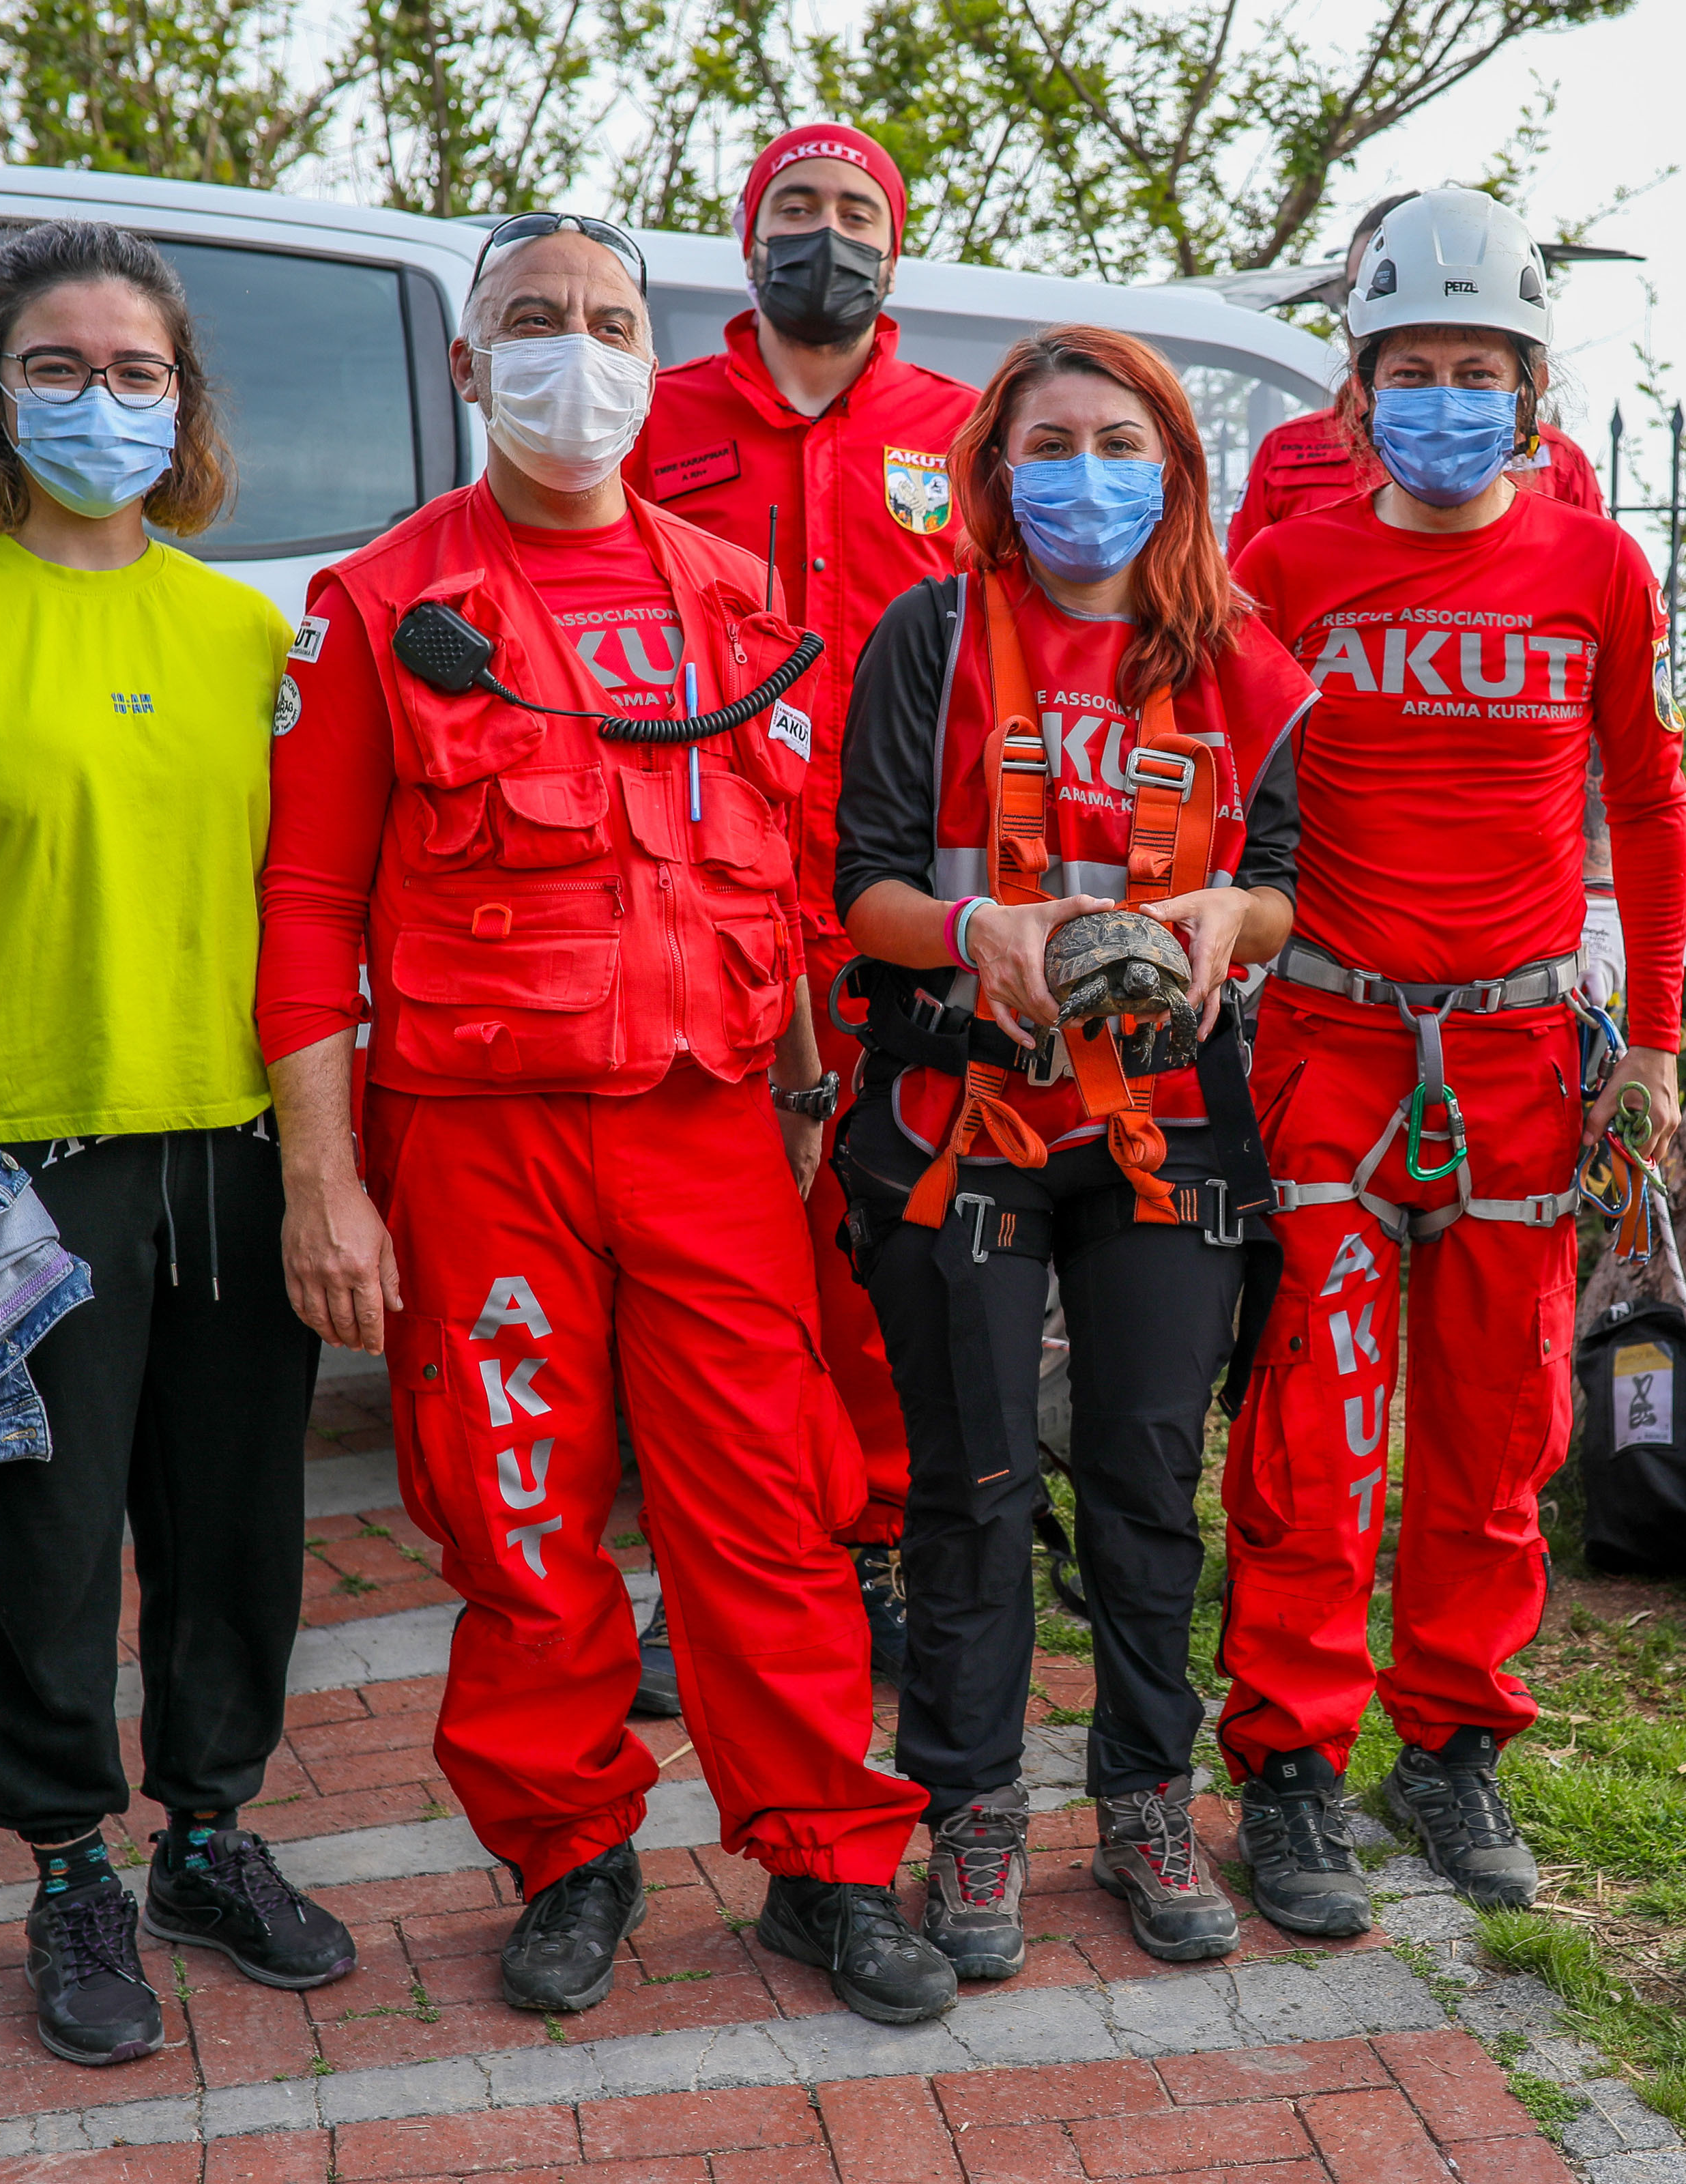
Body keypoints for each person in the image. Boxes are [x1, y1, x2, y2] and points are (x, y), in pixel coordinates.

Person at [255, 214, 953, 2028]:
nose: (577, 352)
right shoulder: (379, 607)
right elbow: (307, 906)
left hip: (713, 1131)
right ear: (469, 364)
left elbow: (787, 876)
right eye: (533, 321)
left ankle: (828, 1865)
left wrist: (810, 1095)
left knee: (775, 1506)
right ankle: (570, 1856)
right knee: (516, 1515)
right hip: (478, 1142)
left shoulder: (735, 601)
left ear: (654, 359)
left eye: (611, 322)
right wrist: (324, 1183)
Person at [0, 218, 358, 2069]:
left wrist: (330, 1162)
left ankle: (206, 1836)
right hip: (19, 1164)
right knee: (38, 1543)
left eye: (134, 371)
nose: (99, 398)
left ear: (181, 402)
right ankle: (67, 1867)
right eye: (57, 366)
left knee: (235, 1528)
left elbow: (310, 906)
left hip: (233, 1147)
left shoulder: (249, 635)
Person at [1219, 187, 1686, 1938]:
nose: (1442, 399)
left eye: (1476, 370)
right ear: (1354, 395)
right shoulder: (1286, 569)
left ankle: (1454, 1740)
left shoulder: (1596, 570)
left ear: (1532, 390)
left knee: (1501, 1426)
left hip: (1519, 1058)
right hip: (1328, 1042)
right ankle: (1289, 1758)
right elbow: (1215, 784)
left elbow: (1650, 801)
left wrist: (1654, 1044)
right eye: (1409, 370)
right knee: (1316, 1427)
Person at [832, 323, 1315, 1975]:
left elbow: (1289, 884)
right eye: (1050, 444)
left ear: (1174, 467)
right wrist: (978, 928)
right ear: (993, 468)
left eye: (1120, 444)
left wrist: (1228, 913)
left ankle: (1145, 1801)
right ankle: (971, 1812)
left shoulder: (1238, 655)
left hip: (1168, 1127)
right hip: (964, 1115)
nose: (1085, 476)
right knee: (968, 1489)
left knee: (1145, 1481)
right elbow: (863, 882)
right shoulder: (931, 636)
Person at [623, 124, 981, 1701]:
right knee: (711, 1255)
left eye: (854, 212)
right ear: (745, 231)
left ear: (894, 246)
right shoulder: (657, 417)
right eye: (795, 207)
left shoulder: (960, 433)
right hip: (698, 896)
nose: (824, 236)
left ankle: (877, 1544)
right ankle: (704, 1565)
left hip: (891, 905)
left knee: (881, 1249)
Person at [1222, 192, 1606, 560]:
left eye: (1476, 374)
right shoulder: (1288, 453)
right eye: (1361, 289)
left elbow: (1592, 571)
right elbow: (1238, 595)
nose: (1444, 401)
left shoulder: (1560, 462)